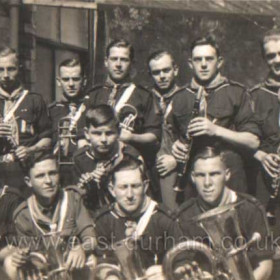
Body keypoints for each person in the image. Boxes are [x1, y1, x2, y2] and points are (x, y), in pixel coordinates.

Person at [171, 35, 260, 194]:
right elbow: (170, 136)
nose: (203, 65)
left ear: (219, 62)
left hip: (230, 175)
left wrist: (216, 130)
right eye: (198, 60)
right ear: (190, 64)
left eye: (209, 59)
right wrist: (175, 146)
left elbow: (253, 141)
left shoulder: (236, 92)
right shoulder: (179, 97)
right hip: (194, 178)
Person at [176, 146, 273, 280]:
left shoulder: (250, 208)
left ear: (227, 174)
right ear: (193, 177)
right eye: (200, 175)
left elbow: (265, 265)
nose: (207, 183)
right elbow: (183, 265)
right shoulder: (184, 215)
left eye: (214, 174)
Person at [3, 152, 96, 280]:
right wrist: (22, 257)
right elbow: (30, 253)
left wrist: (82, 249)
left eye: (52, 173)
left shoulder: (73, 199)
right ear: (28, 181)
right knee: (11, 263)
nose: (48, 181)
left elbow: (91, 238)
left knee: (92, 260)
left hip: (73, 265)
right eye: (40, 176)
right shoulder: (23, 213)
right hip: (46, 268)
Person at [93, 156, 180, 279]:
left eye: (135, 186)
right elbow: (101, 262)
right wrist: (108, 275)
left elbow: (180, 261)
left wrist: (167, 272)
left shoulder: (163, 219)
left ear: (145, 187)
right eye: (123, 187)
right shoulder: (104, 221)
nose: (129, 195)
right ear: (112, 190)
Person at [80, 39, 161, 170]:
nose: (118, 64)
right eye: (114, 59)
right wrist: (89, 165)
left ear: (132, 63)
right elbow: (81, 136)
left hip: (130, 166)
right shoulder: (94, 94)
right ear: (106, 62)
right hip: (96, 166)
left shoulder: (144, 95)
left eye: (123, 59)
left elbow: (154, 136)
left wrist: (131, 137)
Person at [73, 104, 141, 213]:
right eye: (97, 133)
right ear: (86, 134)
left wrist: (106, 180)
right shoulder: (79, 158)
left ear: (118, 132)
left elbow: (137, 198)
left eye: (109, 133)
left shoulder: (130, 156)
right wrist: (87, 188)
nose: (103, 139)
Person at [0, 47, 51, 191]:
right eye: (0, 69)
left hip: (24, 172)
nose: (5, 75)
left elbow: (48, 139)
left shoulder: (34, 100)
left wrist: (30, 150)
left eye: (11, 69)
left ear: (20, 69)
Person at [148, 50, 186, 209]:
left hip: (173, 168)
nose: (162, 76)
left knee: (173, 215)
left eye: (166, 70)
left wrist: (176, 159)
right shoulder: (146, 98)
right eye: (156, 72)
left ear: (175, 70)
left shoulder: (187, 96)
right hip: (148, 168)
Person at [249, 29, 280, 207]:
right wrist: (261, 156)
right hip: (266, 178)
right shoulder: (254, 96)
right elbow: (241, 140)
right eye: (271, 56)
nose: (277, 60)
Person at [48, 58, 88, 187]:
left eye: (76, 79)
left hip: (84, 172)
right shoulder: (51, 111)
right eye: (66, 79)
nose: (71, 84)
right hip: (57, 174)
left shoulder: (91, 108)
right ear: (59, 82)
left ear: (84, 81)